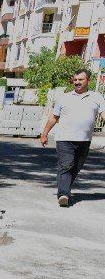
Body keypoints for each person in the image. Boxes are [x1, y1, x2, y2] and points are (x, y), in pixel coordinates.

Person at [40, 68, 105, 207]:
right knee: (66, 165)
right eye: (75, 80)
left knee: (76, 167)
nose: (77, 82)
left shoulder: (97, 97)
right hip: (65, 139)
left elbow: (104, 114)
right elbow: (54, 117)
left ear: (88, 80)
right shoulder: (64, 97)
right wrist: (44, 134)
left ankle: (65, 190)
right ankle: (63, 194)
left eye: (80, 80)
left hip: (85, 139)